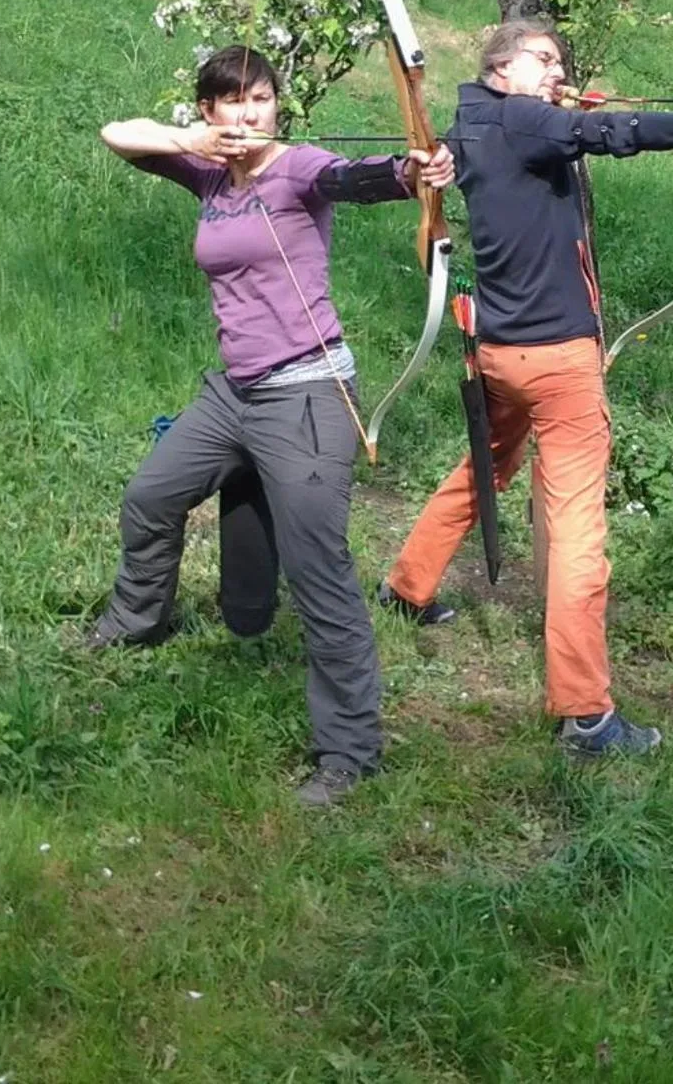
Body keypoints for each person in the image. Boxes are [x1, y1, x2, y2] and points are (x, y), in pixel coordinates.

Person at [379, 18, 673, 756]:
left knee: (486, 467)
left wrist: (563, 111)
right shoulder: (530, 120)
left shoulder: (473, 123)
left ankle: (406, 586)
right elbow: (622, 133)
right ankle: (586, 713)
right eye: (542, 60)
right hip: (559, 362)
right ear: (500, 68)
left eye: (559, 61)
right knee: (577, 535)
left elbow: (543, 134)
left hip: (498, 353)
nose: (555, 70)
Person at [91, 44, 455, 807]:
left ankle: (349, 753)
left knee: (318, 571)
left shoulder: (298, 167)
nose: (251, 113)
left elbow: (351, 179)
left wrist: (413, 172)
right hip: (233, 395)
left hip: (307, 393)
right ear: (210, 112)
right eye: (234, 102)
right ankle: (134, 627)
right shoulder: (207, 171)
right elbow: (116, 133)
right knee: (151, 498)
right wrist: (188, 144)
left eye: (262, 99)